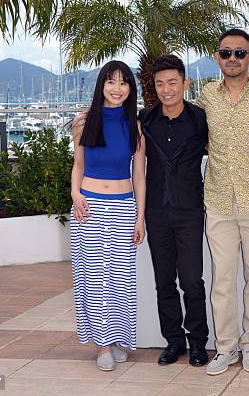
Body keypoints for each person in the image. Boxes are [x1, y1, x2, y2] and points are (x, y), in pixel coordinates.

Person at [195, 28, 249, 376]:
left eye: (240, 53)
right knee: (223, 279)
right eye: (226, 52)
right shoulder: (206, 96)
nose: (233, 58)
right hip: (217, 200)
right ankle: (226, 348)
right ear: (217, 57)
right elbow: (182, 127)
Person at [69, 60, 146, 371]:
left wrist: (140, 217)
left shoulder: (134, 126)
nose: (118, 89)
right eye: (111, 82)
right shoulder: (82, 122)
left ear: (131, 88)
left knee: (121, 279)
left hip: (123, 206)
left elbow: (139, 176)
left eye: (124, 83)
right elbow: (78, 165)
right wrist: (75, 194)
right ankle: (102, 346)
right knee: (94, 277)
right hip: (88, 207)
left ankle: (118, 339)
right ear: (102, 85)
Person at [139, 55, 209, 367]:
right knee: (164, 281)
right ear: (154, 87)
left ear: (184, 83)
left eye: (172, 82)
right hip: (156, 211)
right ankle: (173, 342)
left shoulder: (200, 119)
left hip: (190, 210)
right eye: (160, 84)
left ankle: (198, 343)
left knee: (192, 281)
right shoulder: (145, 120)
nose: (167, 89)